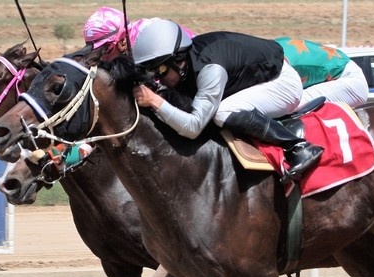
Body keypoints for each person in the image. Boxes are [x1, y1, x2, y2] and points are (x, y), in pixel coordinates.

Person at [130, 19, 323, 182]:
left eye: (161, 70)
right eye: (152, 72)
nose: (157, 77)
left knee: (222, 112)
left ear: (179, 61)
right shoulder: (188, 61)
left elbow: (193, 127)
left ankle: (297, 146)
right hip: (253, 77)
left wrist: (154, 101)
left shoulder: (210, 70)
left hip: (282, 84)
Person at [275, 37, 369, 108]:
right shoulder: (271, 49)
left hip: (348, 79)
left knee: (286, 105)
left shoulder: (282, 62)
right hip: (337, 72)